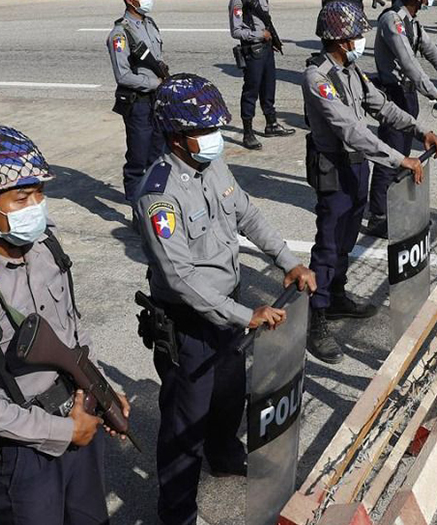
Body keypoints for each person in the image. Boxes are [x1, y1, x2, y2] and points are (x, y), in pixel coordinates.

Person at [134, 74, 315, 525]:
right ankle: (177, 513)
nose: (214, 136)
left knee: (229, 396)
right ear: (176, 138)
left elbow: (247, 214)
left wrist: (287, 260)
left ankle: (225, 455)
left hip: (229, 310)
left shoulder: (212, 164)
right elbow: (179, 276)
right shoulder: (159, 194)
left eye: (215, 126)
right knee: (185, 423)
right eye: (204, 129)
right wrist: (244, 315)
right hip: (189, 322)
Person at [0, 125, 125, 524]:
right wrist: (64, 433)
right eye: (21, 198)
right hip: (26, 449)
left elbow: (74, 333)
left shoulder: (46, 248)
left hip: (81, 411)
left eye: (39, 193)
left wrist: (101, 388)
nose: (36, 206)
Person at [302, 1, 437, 363]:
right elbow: (351, 130)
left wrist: (421, 131)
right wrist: (400, 158)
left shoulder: (352, 71)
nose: (361, 41)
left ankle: (336, 296)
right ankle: (315, 317)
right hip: (333, 168)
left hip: (356, 165)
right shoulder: (318, 77)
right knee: (329, 243)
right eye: (356, 35)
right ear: (340, 40)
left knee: (347, 237)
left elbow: (382, 106)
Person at [365, 0, 437, 238]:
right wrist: (435, 92)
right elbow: (409, 63)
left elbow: (431, 52)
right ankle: (379, 216)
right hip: (393, 94)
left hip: (407, 95)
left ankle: (395, 206)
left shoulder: (412, 22)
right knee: (391, 155)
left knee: (403, 154)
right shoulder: (392, 20)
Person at [108, 0, 168, 201]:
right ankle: (135, 205)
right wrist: (154, 83)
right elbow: (123, 76)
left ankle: (156, 199)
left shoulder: (150, 24)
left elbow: (157, 57)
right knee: (138, 158)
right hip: (138, 104)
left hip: (157, 101)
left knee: (159, 154)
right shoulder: (120, 34)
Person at [229, 0, 294, 150]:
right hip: (253, 50)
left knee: (269, 87)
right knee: (251, 91)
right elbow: (236, 31)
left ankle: (271, 123)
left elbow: (265, 18)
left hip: (266, 47)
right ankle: (248, 132)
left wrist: (272, 39)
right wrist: (260, 35)